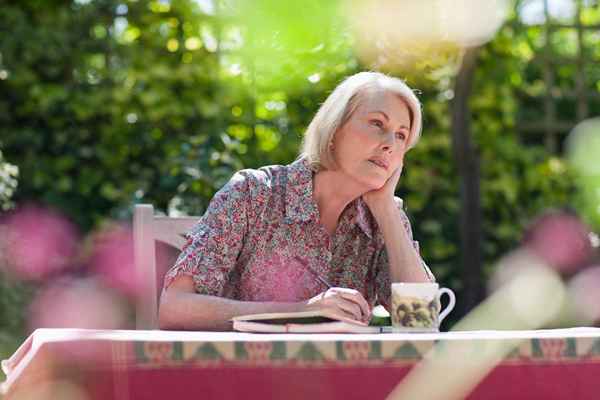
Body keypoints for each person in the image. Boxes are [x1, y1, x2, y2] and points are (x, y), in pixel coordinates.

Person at [158, 71, 435, 331]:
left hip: (338, 378)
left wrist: (386, 209)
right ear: (334, 129)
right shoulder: (253, 194)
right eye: (377, 124)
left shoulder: (385, 217)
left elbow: (420, 321)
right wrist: (299, 311)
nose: (390, 143)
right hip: (240, 374)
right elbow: (174, 309)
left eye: (401, 135)